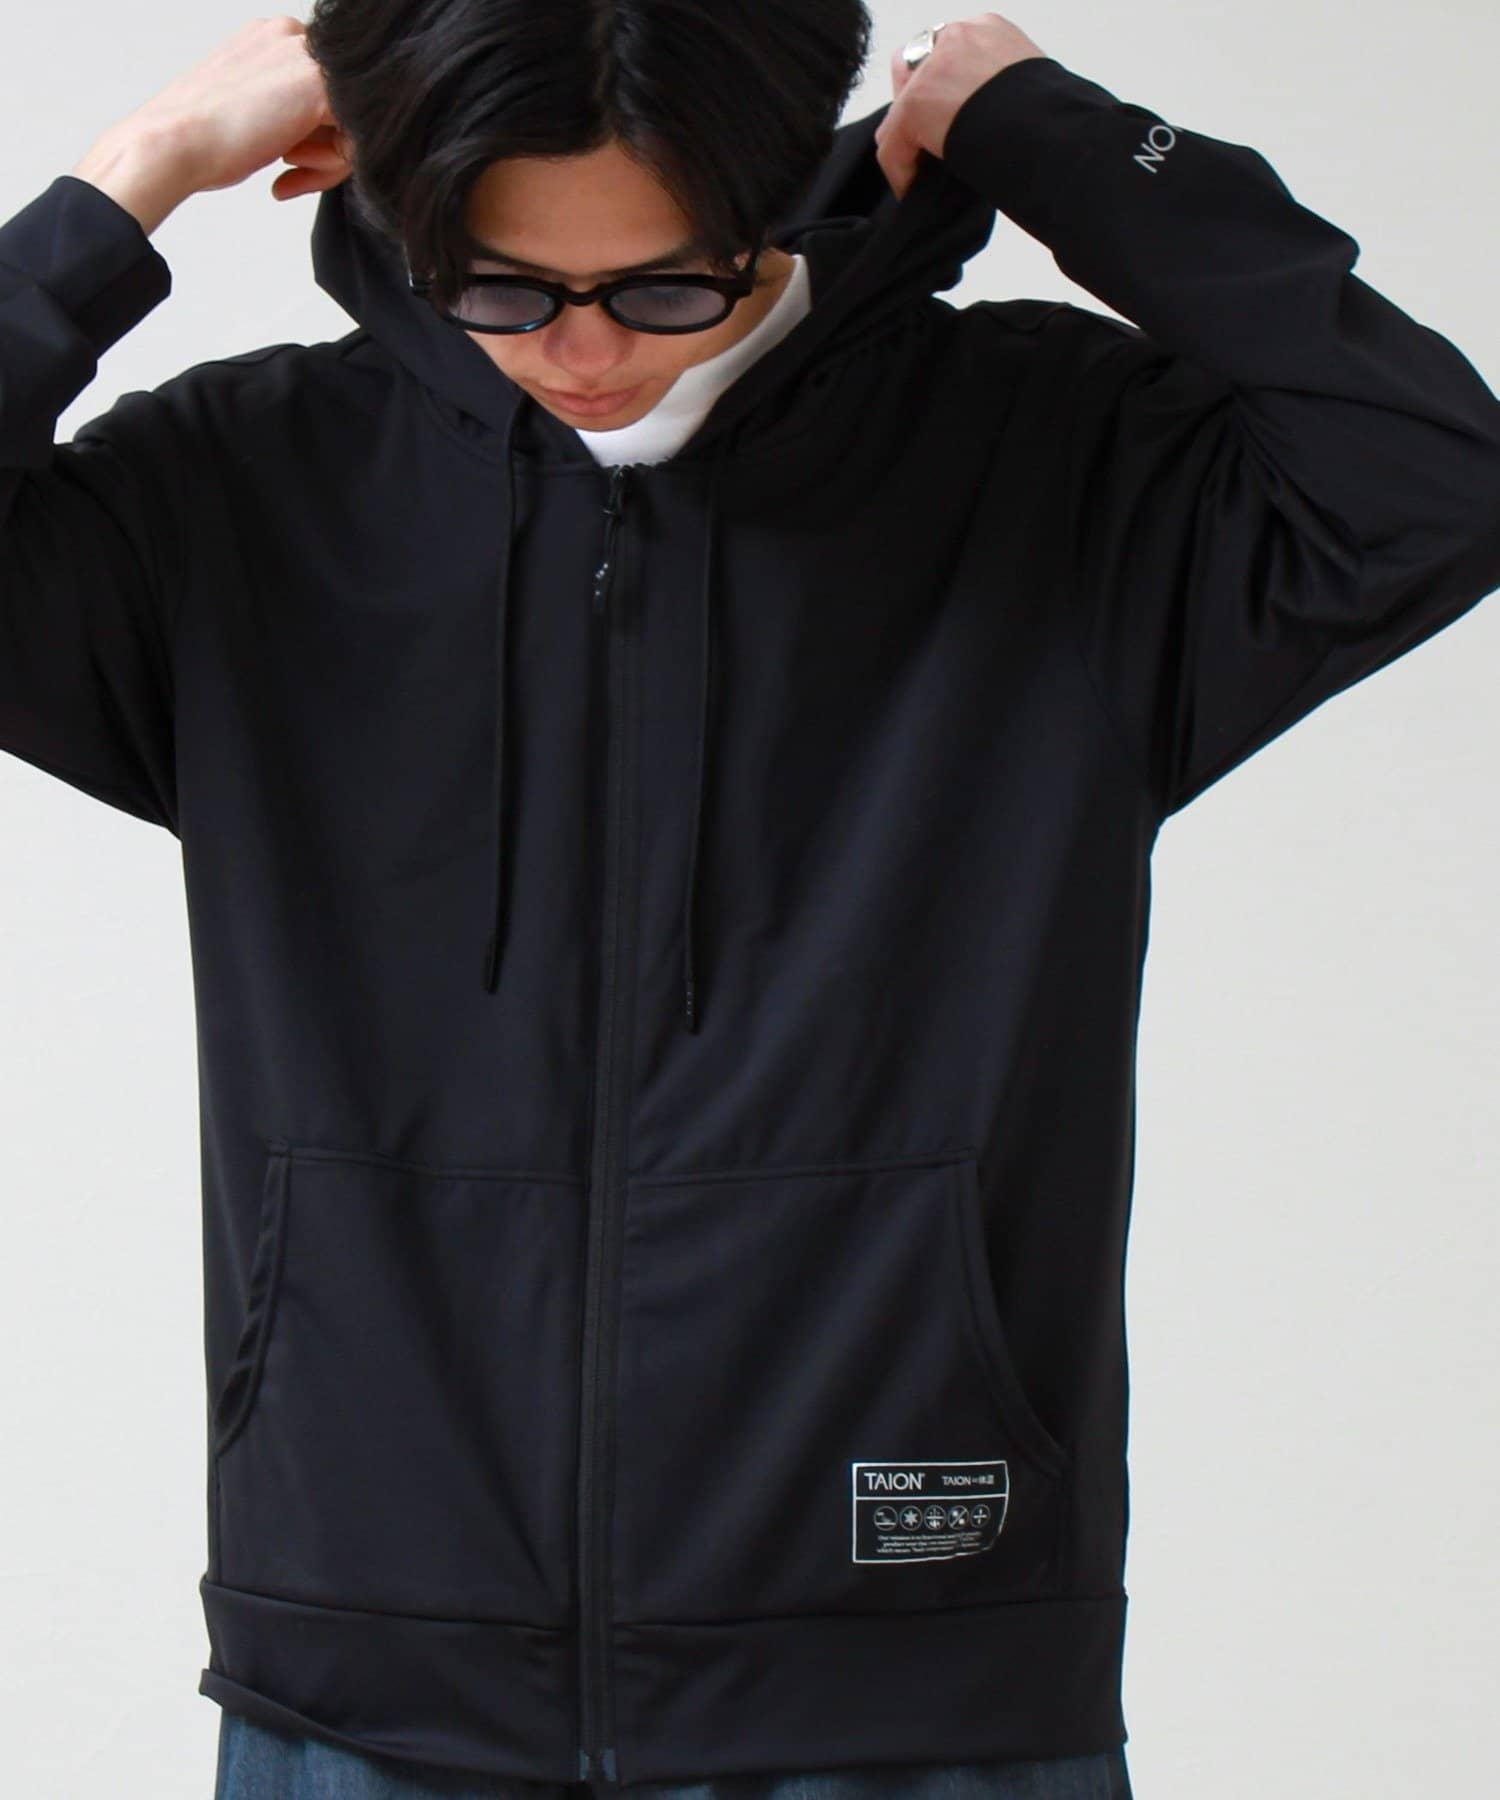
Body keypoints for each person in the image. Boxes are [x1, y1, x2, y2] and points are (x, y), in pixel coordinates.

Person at [4, 2, 1497, 1794]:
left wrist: (1068, 144)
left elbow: (1434, 478)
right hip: (368, 1686)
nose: (580, 354)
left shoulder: (1064, 471)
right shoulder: (238, 494)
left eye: (661, 287)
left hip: (918, 1680)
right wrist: (136, 174)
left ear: (778, 196)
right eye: (498, 290)